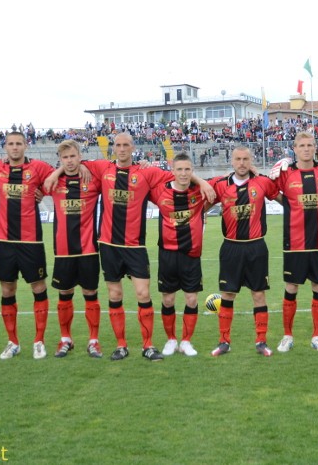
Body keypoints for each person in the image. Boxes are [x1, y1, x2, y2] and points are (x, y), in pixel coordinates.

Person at [47, 132, 214, 362]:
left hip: (135, 245)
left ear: (133, 147)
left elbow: (179, 175)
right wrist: (57, 170)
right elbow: (73, 161)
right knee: (115, 295)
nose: (122, 149)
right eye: (118, 145)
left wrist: (202, 181)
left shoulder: (146, 172)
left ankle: (148, 345)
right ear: (113, 148)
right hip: (108, 244)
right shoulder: (102, 168)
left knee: (143, 294)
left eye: (126, 145)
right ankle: (121, 345)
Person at [0, 131, 56, 360]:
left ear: (26, 146)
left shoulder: (38, 168)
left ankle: (39, 340)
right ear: (4, 146)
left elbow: (61, 173)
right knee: (7, 290)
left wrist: (43, 191)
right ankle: (13, 341)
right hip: (5, 241)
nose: (15, 147)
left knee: (38, 287)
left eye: (19, 143)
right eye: (11, 144)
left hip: (31, 240)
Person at [269, 132, 318, 354]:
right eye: (302, 145)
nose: (306, 149)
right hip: (294, 240)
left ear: (315, 147)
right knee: (291, 288)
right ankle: (287, 335)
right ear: (294, 149)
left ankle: (317, 336)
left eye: (310, 145)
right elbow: (272, 192)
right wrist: (288, 203)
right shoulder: (285, 173)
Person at [209, 147, 279, 357]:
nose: (241, 163)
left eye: (245, 159)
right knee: (227, 294)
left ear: (251, 161)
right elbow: (199, 198)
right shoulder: (220, 185)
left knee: (258, 294)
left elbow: (288, 200)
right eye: (238, 159)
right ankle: (224, 342)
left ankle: (261, 341)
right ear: (232, 161)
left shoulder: (263, 182)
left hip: (256, 246)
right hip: (230, 247)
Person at [48, 140, 104, 360]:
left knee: (90, 294)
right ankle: (65, 339)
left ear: (79, 155)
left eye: (73, 156)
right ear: (60, 160)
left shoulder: (93, 178)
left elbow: (109, 166)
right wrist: (58, 171)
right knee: (65, 294)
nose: (70, 161)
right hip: (63, 251)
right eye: (65, 158)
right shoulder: (53, 181)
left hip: (89, 249)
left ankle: (93, 341)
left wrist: (84, 165)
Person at [151, 153, 207, 357]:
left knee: (191, 299)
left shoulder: (200, 191)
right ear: (172, 171)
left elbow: (231, 179)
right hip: (167, 254)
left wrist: (200, 181)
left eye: (187, 169)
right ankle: (171, 340)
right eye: (180, 169)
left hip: (191, 254)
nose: (183, 173)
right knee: (168, 300)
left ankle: (186, 341)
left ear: (192, 171)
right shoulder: (159, 192)